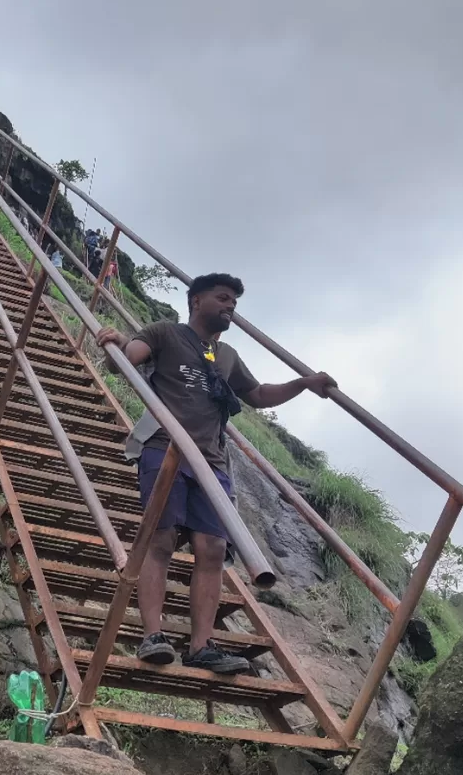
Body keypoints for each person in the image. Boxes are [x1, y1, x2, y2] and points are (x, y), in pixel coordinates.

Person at [96, 273, 336, 675]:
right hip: (163, 446)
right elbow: (128, 359)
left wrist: (304, 383)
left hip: (212, 462)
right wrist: (116, 343)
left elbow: (257, 395)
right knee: (161, 541)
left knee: (211, 550)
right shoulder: (165, 333)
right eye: (223, 298)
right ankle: (153, 636)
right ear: (195, 301)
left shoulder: (226, 357)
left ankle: (202, 645)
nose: (231, 307)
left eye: (235, 303)